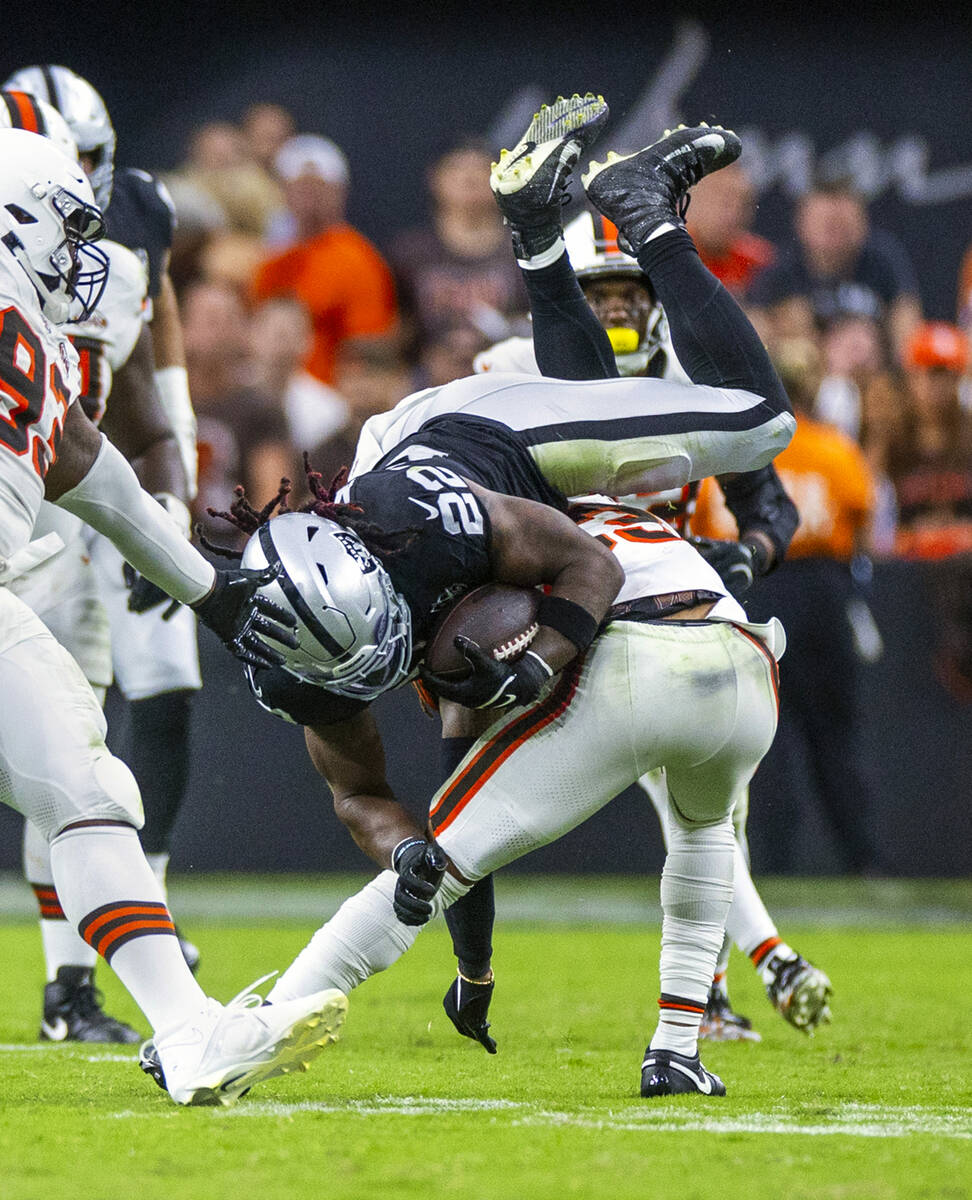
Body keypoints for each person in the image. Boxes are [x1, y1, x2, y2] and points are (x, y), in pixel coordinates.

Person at [153, 97, 795, 1102]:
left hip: (492, 437)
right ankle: (543, 231)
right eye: (359, 672)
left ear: (384, 594)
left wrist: (544, 657)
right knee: (452, 841)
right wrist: (414, 854)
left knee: (758, 422)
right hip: (556, 542)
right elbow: (371, 793)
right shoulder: (293, 653)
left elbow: (587, 561)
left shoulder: (435, 528)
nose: (378, 680)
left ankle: (641, 211)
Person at [0, 127, 345, 1103]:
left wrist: (209, 588)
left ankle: (191, 1031)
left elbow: (85, 465)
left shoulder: (46, 343)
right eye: (66, 231)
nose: (84, 260)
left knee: (89, 788)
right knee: (86, 786)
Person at [461, 170, 827, 1043]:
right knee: (673, 796)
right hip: (558, 613)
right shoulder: (517, 372)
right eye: (599, 295)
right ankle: (746, 973)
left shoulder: (682, 379)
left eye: (630, 292)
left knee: (701, 798)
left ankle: (725, 987)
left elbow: (770, 506)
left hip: (663, 602)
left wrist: (746, 554)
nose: (617, 311)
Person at [3, 64, 207, 1031]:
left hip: (38, 547)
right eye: (60, 207)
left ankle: (149, 1010)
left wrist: (190, 561)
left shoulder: (71, 310)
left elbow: (102, 447)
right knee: (81, 775)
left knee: (83, 774)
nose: (88, 238)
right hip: (22, 552)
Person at [694, 337, 886, 874]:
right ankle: (861, 858)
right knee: (835, 735)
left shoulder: (734, 455)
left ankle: (773, 863)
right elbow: (864, 520)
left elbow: (708, 528)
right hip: (823, 591)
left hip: (755, 588)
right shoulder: (833, 449)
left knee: (761, 737)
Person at [250, 134, 399, 386]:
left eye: (319, 187)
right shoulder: (269, 259)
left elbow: (370, 349)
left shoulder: (359, 261)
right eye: (300, 186)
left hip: (330, 398)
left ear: (339, 192)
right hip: (268, 391)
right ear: (283, 191)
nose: (309, 196)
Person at [747, 177, 922, 364]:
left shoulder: (883, 259)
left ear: (862, 222)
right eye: (827, 225)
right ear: (802, 223)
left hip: (873, 381)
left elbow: (908, 326)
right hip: (809, 380)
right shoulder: (781, 268)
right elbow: (754, 330)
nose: (835, 238)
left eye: (843, 225)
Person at [388, 137, 528, 364]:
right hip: (427, 380)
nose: (469, 178)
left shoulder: (526, 250)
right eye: (457, 168)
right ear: (435, 179)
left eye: (482, 169)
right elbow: (394, 332)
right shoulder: (410, 253)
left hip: (507, 373)